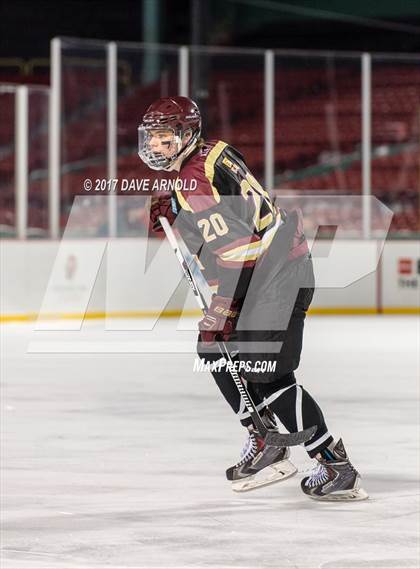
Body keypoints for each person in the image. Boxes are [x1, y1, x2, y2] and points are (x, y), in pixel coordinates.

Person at [138, 96, 368, 501]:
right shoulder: (215, 152)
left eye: (164, 137)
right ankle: (267, 441)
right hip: (273, 268)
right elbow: (235, 215)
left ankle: (334, 464)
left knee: (267, 373)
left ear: (187, 134)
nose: (155, 146)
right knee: (213, 350)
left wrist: (224, 308)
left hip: (274, 273)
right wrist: (178, 211)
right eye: (152, 138)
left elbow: (238, 248)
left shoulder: (193, 181)